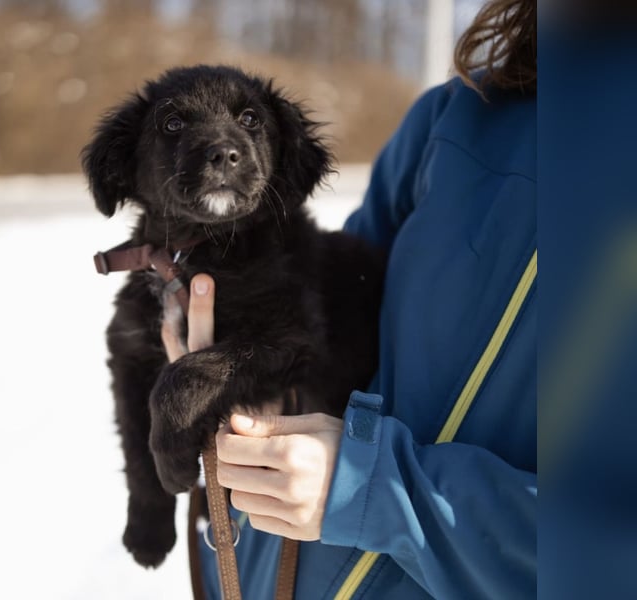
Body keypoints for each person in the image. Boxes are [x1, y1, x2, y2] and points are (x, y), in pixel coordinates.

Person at [162, 0, 537, 597]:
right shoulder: (460, 114)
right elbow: (330, 302)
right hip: (264, 573)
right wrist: (246, 360)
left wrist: (372, 491)